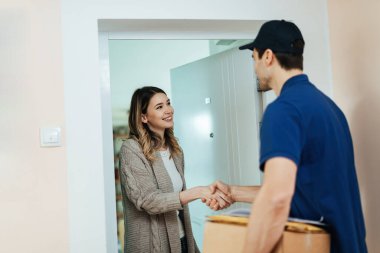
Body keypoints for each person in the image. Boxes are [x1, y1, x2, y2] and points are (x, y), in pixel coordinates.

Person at [206, 20, 367, 253]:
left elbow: (277, 197)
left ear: (268, 56)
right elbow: (296, 189)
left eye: (254, 58)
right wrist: (233, 192)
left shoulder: (284, 110)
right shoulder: (329, 108)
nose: (254, 68)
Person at [119, 86, 230, 253]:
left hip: (182, 240)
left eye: (168, 103)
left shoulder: (175, 149)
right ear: (143, 117)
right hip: (151, 246)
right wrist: (199, 192)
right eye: (159, 107)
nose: (168, 110)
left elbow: (177, 205)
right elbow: (148, 201)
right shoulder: (131, 149)